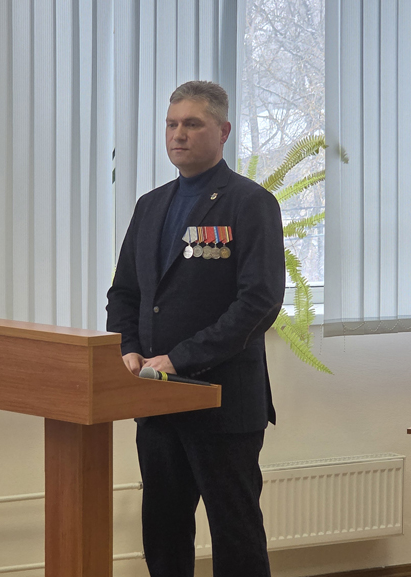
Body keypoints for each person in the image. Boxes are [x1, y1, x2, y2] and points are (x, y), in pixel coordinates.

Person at [106, 80, 285, 577]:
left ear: (223, 131)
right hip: (156, 401)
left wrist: (181, 359)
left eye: (192, 124)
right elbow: (125, 293)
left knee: (236, 536)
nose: (178, 134)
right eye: (171, 124)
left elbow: (260, 302)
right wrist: (128, 348)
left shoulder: (249, 202)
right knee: (163, 535)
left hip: (222, 403)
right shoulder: (150, 205)